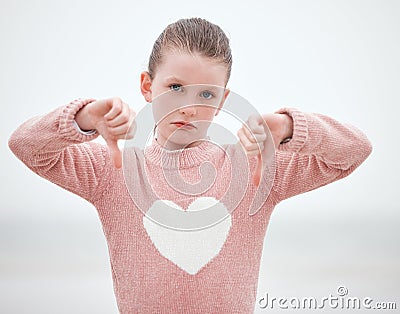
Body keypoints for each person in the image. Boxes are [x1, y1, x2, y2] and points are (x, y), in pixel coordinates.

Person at [8, 17, 372, 314]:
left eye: (207, 94)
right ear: (147, 87)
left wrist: (291, 127)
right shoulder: (114, 166)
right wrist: (84, 118)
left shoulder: (253, 167)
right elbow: (25, 144)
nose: (189, 106)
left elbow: (355, 150)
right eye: (176, 87)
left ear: (224, 99)